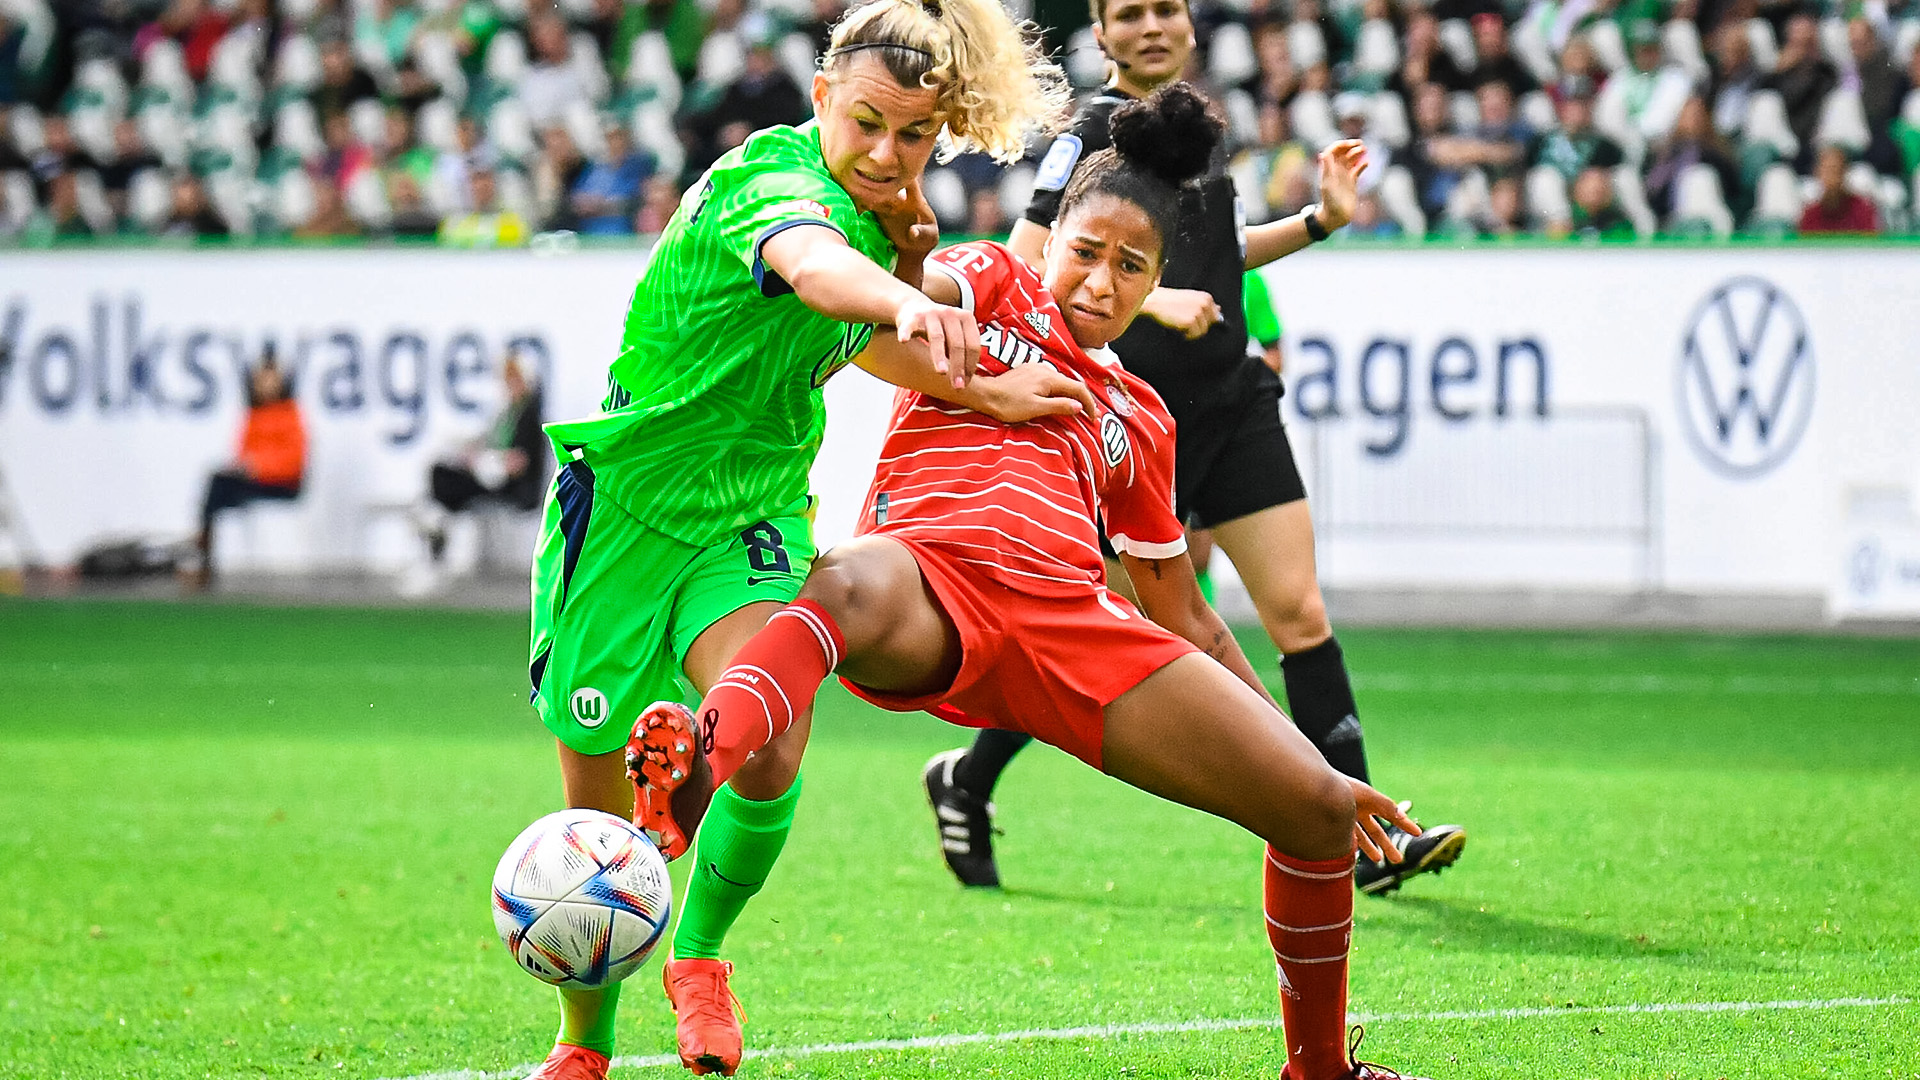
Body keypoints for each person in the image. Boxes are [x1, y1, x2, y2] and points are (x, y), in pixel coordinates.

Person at [628, 83, 1429, 1080]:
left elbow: (1183, 617)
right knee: (833, 584)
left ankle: (1318, 1072)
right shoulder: (992, 283)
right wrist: (923, 274)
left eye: (1130, 266)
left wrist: (1298, 747)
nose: (1100, 279)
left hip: (1074, 630)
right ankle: (701, 762)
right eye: (1086, 251)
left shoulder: (1141, 417)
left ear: (1156, 284)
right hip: (930, 583)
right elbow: (895, 319)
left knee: (1310, 811)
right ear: (1051, 243)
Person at [516, 1, 1073, 1077]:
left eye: (915, 137)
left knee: (770, 739)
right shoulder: (764, 183)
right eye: (866, 123)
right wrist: (910, 300)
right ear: (822, 98)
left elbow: (857, 337)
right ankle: (584, 1044)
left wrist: (986, 389)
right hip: (627, 511)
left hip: (756, 513)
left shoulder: (886, 216)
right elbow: (819, 273)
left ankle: (702, 960)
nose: (886, 153)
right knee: (595, 827)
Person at [921, 0, 1466, 898]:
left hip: (1231, 403)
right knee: (1105, 629)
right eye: (1128, 14)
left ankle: (1364, 836)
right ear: (1101, 36)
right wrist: (1149, 296)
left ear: (1189, 26)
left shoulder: (1199, 129)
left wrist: (1318, 221)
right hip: (1124, 425)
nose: (1150, 26)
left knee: (1299, 614)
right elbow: (1029, 263)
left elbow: (1219, 257)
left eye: (1164, 9)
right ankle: (968, 777)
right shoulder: (1092, 134)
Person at [414, 351, 546, 563]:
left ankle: (436, 520)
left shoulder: (529, 416)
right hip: (494, 477)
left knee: (442, 476)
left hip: (511, 486)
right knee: (442, 470)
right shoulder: (509, 413)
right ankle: (436, 517)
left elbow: (520, 463)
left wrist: (486, 461)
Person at [188, 350, 305, 586]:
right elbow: (243, 452)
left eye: (271, 380)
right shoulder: (254, 414)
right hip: (256, 481)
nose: (266, 386)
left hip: (282, 484)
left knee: (218, 489)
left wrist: (259, 466)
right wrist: (246, 467)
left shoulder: (290, 414)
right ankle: (203, 555)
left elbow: (293, 461)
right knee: (217, 483)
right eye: (262, 380)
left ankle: (201, 549)